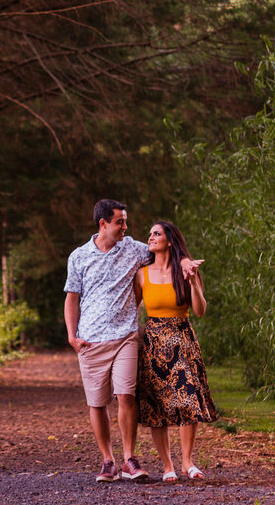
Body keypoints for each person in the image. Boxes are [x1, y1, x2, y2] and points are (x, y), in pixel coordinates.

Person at [64, 200, 199, 483]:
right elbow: (72, 298)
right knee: (97, 403)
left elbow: (168, 254)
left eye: (125, 221)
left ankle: (128, 459)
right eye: (120, 222)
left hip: (126, 336)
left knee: (126, 395)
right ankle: (108, 460)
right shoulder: (78, 256)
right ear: (103, 224)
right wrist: (72, 336)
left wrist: (186, 261)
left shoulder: (134, 249)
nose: (126, 227)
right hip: (90, 340)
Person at [133, 220, 216, 483]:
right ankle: (167, 465)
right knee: (158, 406)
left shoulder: (187, 270)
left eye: (156, 233)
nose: (151, 237)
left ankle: (188, 462)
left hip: (182, 340)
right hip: (153, 343)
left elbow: (200, 310)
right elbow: (131, 311)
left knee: (188, 399)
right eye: (150, 234)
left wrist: (193, 283)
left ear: (170, 239)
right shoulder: (141, 274)